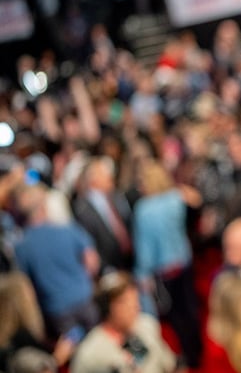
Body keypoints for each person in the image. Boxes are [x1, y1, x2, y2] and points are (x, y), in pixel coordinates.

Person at [132, 158, 202, 370]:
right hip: (184, 262)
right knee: (190, 310)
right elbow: (196, 203)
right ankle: (196, 352)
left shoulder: (143, 209)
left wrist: (142, 276)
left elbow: (144, 249)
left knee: (175, 317)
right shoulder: (175, 199)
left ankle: (187, 358)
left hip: (164, 272)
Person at [13, 183, 100, 340]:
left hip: (56, 310)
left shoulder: (21, 247)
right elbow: (92, 261)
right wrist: (82, 281)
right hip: (84, 298)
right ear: (43, 207)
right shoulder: (67, 230)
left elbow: (26, 287)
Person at [70, 271, 179, 373]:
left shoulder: (146, 325)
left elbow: (171, 365)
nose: (136, 307)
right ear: (108, 308)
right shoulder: (90, 353)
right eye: (128, 303)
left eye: (136, 300)